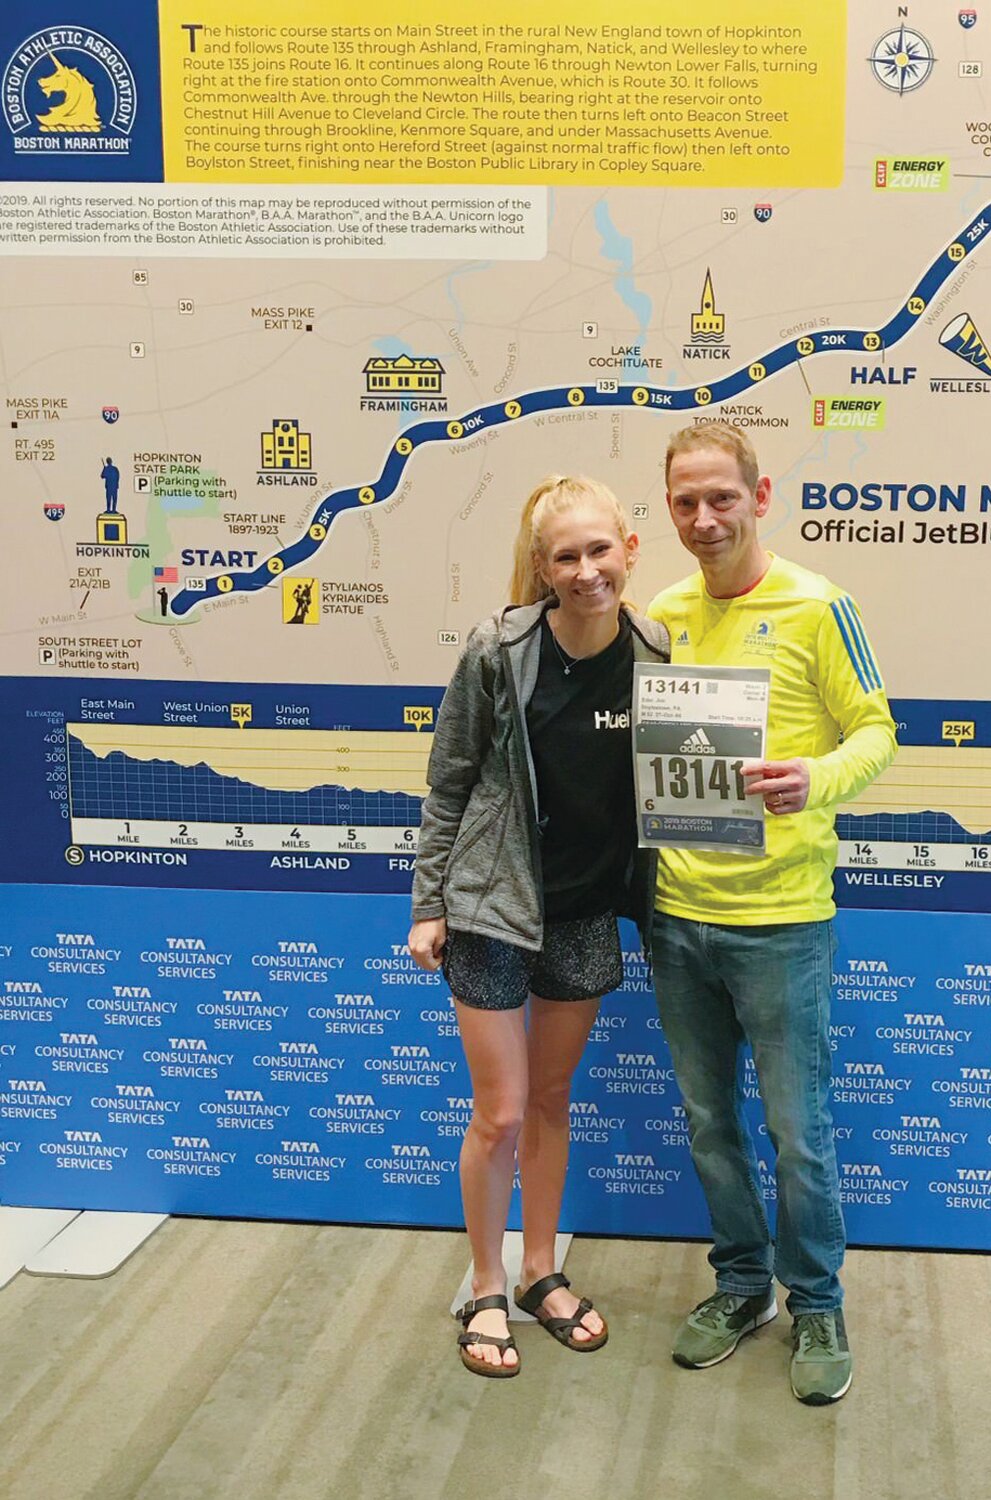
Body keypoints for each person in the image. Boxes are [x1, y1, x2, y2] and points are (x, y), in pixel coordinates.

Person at [646, 421, 896, 1405]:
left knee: (800, 1134)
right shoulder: (661, 612)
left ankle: (818, 1302)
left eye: (722, 497)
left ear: (761, 495)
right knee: (711, 1126)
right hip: (677, 917)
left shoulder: (820, 605)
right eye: (685, 502)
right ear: (667, 510)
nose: (705, 519)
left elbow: (878, 731)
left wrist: (818, 778)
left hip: (785, 921)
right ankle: (741, 1286)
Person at [408, 475, 669, 1377]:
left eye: (600, 550)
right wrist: (429, 904)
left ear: (629, 550)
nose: (586, 570)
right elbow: (449, 780)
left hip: (586, 911)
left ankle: (539, 1272)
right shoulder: (499, 648)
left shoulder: (657, 651)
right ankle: (485, 1284)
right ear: (541, 567)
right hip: (492, 907)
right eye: (566, 555)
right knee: (502, 1111)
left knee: (553, 1104)